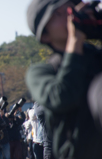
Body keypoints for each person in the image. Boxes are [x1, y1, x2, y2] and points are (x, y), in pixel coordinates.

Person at [26, 0, 102, 158]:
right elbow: (62, 96)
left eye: (71, 8)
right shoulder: (41, 72)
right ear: (45, 36)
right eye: (59, 14)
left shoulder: (96, 56)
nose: (70, 14)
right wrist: (75, 40)